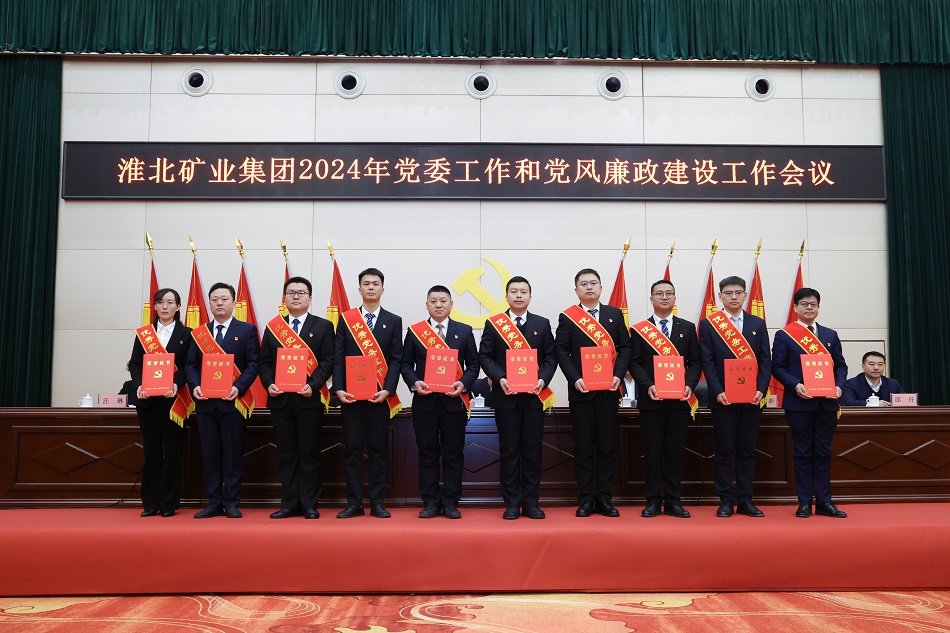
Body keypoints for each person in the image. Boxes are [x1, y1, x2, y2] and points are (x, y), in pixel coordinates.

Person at [554, 268, 632, 518]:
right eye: (583, 284)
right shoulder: (568, 317)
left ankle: (604, 498)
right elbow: (561, 351)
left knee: (607, 447)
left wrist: (618, 375)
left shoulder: (614, 314)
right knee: (584, 447)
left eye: (593, 283)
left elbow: (626, 348)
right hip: (582, 392)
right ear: (576, 289)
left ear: (600, 287)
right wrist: (575, 378)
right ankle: (586, 498)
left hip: (608, 392)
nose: (589, 287)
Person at [479, 276, 557, 520]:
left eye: (523, 291)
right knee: (510, 450)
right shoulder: (494, 324)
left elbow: (551, 357)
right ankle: (512, 503)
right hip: (506, 397)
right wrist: (500, 377)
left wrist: (543, 379)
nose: (519, 295)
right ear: (506, 296)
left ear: (530, 296)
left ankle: (531, 503)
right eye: (514, 291)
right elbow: (485, 356)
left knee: (532, 451)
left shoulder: (542, 324)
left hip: (534, 397)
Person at [258, 276, 335, 520]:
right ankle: (289, 504)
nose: (296, 297)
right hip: (280, 400)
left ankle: (310, 504)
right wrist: (269, 384)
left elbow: (328, 361)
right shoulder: (274, 327)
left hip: (309, 399)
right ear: (284, 298)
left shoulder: (323, 326)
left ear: (310, 299)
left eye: (301, 293)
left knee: (309, 453)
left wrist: (313, 385)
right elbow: (264, 362)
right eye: (291, 293)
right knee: (287, 454)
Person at [401, 285, 480, 519]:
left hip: (454, 403)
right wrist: (415, 382)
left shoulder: (464, 331)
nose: (438, 305)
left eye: (443, 301)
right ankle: (430, 502)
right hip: (425, 402)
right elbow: (405, 364)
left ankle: (452, 502)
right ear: (427, 305)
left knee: (454, 453)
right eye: (433, 301)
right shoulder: (415, 332)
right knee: (427, 453)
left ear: (451, 304)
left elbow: (473, 364)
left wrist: (463, 384)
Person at [698, 276, 771, 518]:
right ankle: (726, 500)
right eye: (728, 293)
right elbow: (707, 361)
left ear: (745, 295)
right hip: (723, 399)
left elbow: (765, 360)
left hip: (752, 399)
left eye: (738, 292)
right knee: (724, 449)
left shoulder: (757, 323)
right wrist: (717, 390)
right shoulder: (709, 324)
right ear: (720, 296)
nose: (733, 297)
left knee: (747, 450)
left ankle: (746, 499)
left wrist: (761, 389)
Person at [332, 268, 403, 519]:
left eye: (375, 284)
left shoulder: (393, 321)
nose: (371, 287)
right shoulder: (346, 319)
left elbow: (396, 359)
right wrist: (338, 388)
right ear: (359, 289)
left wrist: (388, 390)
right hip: (350, 397)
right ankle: (353, 503)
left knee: (377, 450)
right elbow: (338, 357)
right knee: (352, 450)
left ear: (382, 289)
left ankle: (377, 503)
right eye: (366, 283)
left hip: (379, 398)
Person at [771, 287, 848, 518]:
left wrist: (838, 386)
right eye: (804, 304)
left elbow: (840, 366)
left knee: (823, 452)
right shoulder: (785, 335)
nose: (809, 308)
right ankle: (804, 501)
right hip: (799, 403)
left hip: (827, 404)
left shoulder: (830, 335)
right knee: (803, 452)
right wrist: (796, 385)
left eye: (813, 304)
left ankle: (825, 502)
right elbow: (777, 367)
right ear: (795, 307)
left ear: (818, 307)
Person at [185, 282, 260, 519]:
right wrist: (195, 386)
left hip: (232, 403)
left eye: (224, 299)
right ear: (209, 303)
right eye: (215, 299)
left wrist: (238, 387)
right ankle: (214, 502)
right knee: (210, 454)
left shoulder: (247, 330)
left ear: (234, 303)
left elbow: (253, 364)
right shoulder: (199, 334)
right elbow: (190, 364)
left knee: (233, 454)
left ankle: (232, 502)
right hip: (206, 403)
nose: (219, 303)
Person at [629, 280, 701, 519]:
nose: (664, 297)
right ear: (651, 299)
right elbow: (634, 363)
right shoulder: (640, 330)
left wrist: (689, 385)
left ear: (675, 298)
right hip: (651, 401)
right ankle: (652, 500)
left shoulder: (687, 328)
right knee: (652, 452)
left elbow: (695, 362)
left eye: (669, 293)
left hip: (679, 402)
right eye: (659, 294)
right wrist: (647, 385)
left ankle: (673, 501)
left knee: (674, 452)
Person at [128, 288, 192, 518]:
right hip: (147, 402)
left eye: (170, 302)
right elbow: (135, 364)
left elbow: (189, 365)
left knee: (173, 452)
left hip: (173, 402)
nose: (165, 306)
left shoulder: (188, 334)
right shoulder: (144, 334)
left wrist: (176, 383)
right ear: (154, 306)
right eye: (160, 302)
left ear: (178, 307)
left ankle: (168, 503)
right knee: (152, 452)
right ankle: (150, 503)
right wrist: (139, 384)